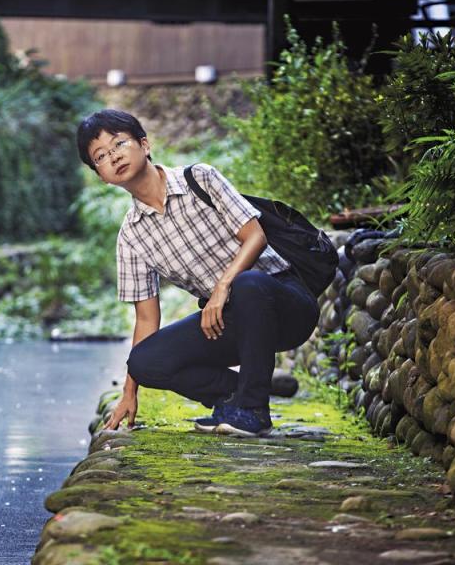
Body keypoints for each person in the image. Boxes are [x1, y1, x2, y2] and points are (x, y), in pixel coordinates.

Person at [76, 109, 319, 438]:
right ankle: (235, 396)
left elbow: (256, 236)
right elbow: (147, 320)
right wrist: (130, 391)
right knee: (144, 361)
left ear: (145, 145)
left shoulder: (200, 179)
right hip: (228, 321)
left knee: (247, 284)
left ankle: (253, 411)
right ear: (101, 175)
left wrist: (221, 288)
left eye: (119, 143)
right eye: (101, 156)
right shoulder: (131, 237)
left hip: (283, 302)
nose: (114, 156)